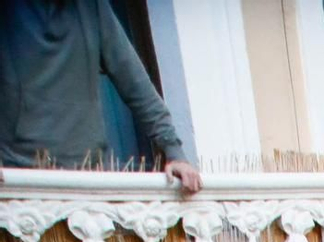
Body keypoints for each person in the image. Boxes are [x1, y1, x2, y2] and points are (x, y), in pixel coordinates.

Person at [0, 0, 202, 186]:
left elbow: (135, 83)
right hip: (18, 176)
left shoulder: (92, 7)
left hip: (89, 175)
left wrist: (174, 152)